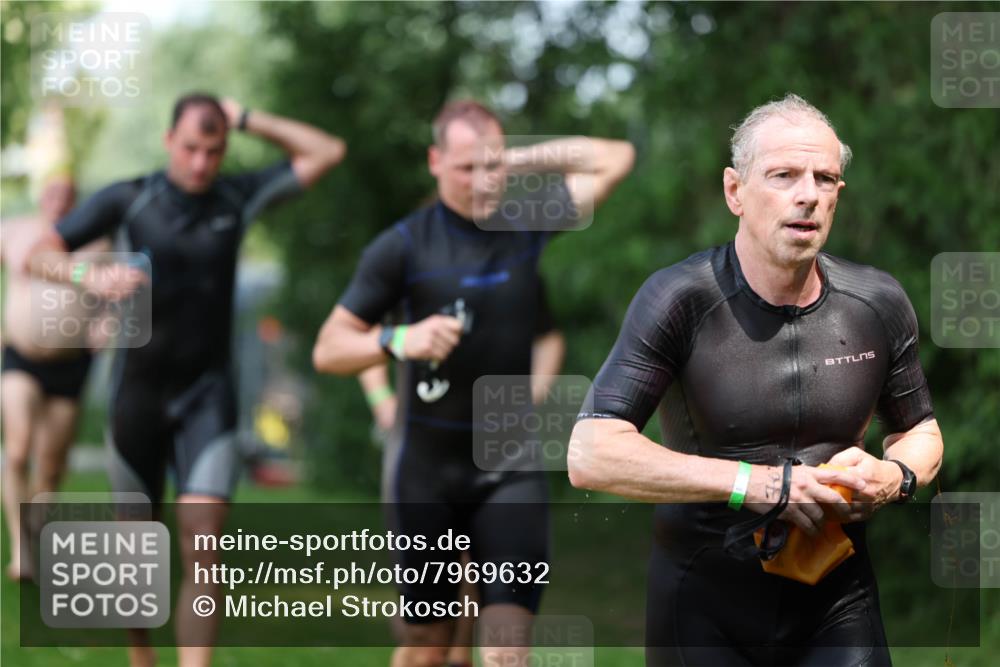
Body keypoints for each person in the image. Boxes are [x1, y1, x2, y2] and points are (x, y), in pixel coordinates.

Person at [568, 93, 943, 666]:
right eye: (784, 175)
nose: (807, 194)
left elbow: (922, 433)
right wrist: (755, 482)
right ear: (735, 191)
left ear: (838, 194)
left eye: (825, 178)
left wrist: (893, 476)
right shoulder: (680, 298)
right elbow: (591, 452)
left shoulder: (877, 301)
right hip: (703, 606)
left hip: (837, 599)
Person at [23, 93, 346, 667]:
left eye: (215, 150)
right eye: (192, 148)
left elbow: (328, 150)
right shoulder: (130, 197)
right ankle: (141, 654)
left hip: (208, 395)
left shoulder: (237, 196)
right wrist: (85, 274)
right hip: (139, 397)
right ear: (171, 140)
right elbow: (40, 254)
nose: (201, 163)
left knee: (204, 544)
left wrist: (246, 115)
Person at [313, 99, 633, 667]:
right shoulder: (403, 246)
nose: (483, 181)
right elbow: (329, 348)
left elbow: (615, 157)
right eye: (466, 168)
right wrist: (397, 342)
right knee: (427, 646)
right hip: (425, 470)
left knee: (507, 645)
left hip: (507, 462)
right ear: (435, 161)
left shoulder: (524, 221)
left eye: (492, 167)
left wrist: (515, 157)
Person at [358, 279, 566, 667]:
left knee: (481, 572)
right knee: (424, 626)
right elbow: (367, 333)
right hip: (423, 453)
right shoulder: (408, 258)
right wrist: (381, 398)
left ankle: (461, 656)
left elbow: (548, 337)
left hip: (498, 453)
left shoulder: (514, 268)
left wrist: (532, 395)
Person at [1, 172, 110, 581]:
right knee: (17, 450)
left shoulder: (98, 242)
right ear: (40, 195)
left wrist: (107, 321)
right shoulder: (15, 232)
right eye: (52, 192)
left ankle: (34, 532)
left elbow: (122, 290)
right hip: (20, 358)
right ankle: (20, 550)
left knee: (50, 463)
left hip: (71, 363)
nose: (59, 201)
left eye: (68, 194)